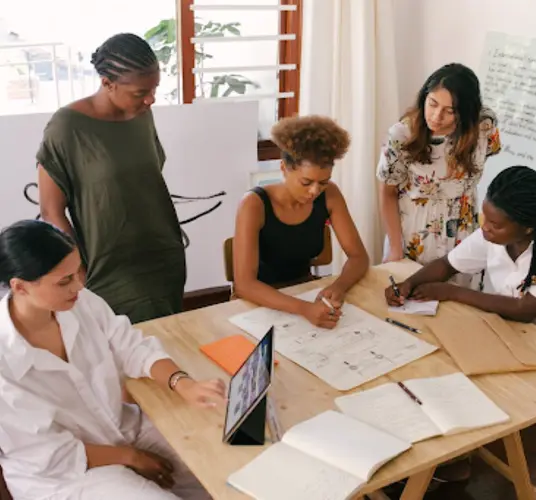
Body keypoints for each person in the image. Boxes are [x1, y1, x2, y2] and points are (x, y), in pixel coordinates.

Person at [0, 220, 227, 500]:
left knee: (220, 465)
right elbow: (48, 454)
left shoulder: (79, 302)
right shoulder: (4, 363)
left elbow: (131, 346)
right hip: (64, 475)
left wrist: (182, 383)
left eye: (78, 272)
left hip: (119, 428)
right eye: (65, 281)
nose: (79, 286)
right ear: (20, 287)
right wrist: (131, 457)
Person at [386, 165, 536, 362]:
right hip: (518, 337)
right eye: (485, 218)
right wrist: (408, 283)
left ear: (528, 226)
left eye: (495, 224)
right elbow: (447, 264)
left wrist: (451, 292)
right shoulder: (496, 234)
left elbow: (525, 310)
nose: (484, 227)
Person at [36, 33, 185, 324]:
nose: (150, 99)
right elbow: (51, 211)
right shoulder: (67, 126)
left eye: (154, 89)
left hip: (163, 254)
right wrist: (76, 269)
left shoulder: (141, 114)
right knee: (119, 351)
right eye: (140, 92)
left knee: (166, 342)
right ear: (107, 83)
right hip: (108, 265)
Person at [233, 115, 369, 329]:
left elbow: (359, 256)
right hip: (259, 302)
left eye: (323, 182)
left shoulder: (330, 195)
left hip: (304, 291)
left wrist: (339, 286)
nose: (315, 191)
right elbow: (244, 285)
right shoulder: (254, 204)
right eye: (306, 182)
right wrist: (304, 309)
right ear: (284, 168)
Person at [377, 62, 502, 287]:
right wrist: (396, 248)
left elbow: (485, 156)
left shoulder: (484, 127)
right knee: (407, 302)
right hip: (415, 235)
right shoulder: (402, 135)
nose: (436, 116)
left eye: (450, 110)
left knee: (459, 310)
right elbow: (387, 193)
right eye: (432, 104)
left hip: (463, 234)